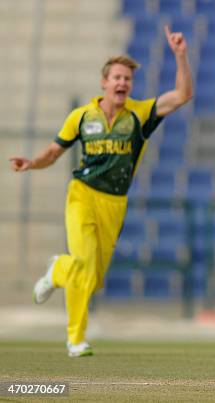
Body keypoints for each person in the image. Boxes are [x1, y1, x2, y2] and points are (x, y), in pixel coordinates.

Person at [9, 26, 193, 357]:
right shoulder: (81, 117)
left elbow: (182, 96)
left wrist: (180, 55)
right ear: (104, 83)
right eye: (117, 78)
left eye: (128, 79)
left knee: (89, 278)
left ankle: (56, 271)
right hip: (82, 194)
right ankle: (76, 339)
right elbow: (54, 153)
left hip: (115, 203)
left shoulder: (140, 114)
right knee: (83, 261)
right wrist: (31, 163)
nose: (123, 83)